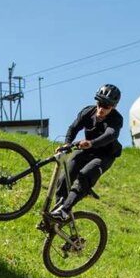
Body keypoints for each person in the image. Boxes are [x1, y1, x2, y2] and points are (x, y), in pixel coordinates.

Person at [49, 84, 123, 222]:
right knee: (65, 176)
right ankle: (57, 210)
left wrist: (91, 143)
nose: (101, 109)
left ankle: (65, 210)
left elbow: (110, 135)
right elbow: (73, 128)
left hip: (105, 155)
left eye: (106, 107)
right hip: (87, 151)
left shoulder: (116, 119)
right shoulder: (87, 112)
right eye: (99, 104)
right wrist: (67, 143)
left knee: (86, 174)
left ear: (113, 107)